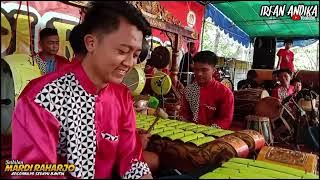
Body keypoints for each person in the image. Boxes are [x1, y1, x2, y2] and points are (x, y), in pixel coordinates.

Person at [12, 1, 152, 179]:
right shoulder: (42, 97)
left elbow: (131, 159)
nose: (130, 62)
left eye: (135, 55)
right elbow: (33, 172)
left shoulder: (122, 95)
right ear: (91, 43)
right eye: (123, 50)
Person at [179, 51, 234, 129]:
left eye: (204, 70)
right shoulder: (189, 90)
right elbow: (184, 114)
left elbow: (226, 120)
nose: (199, 73)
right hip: (189, 133)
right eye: (196, 69)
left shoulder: (225, 93)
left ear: (214, 70)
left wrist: (207, 130)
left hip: (214, 136)